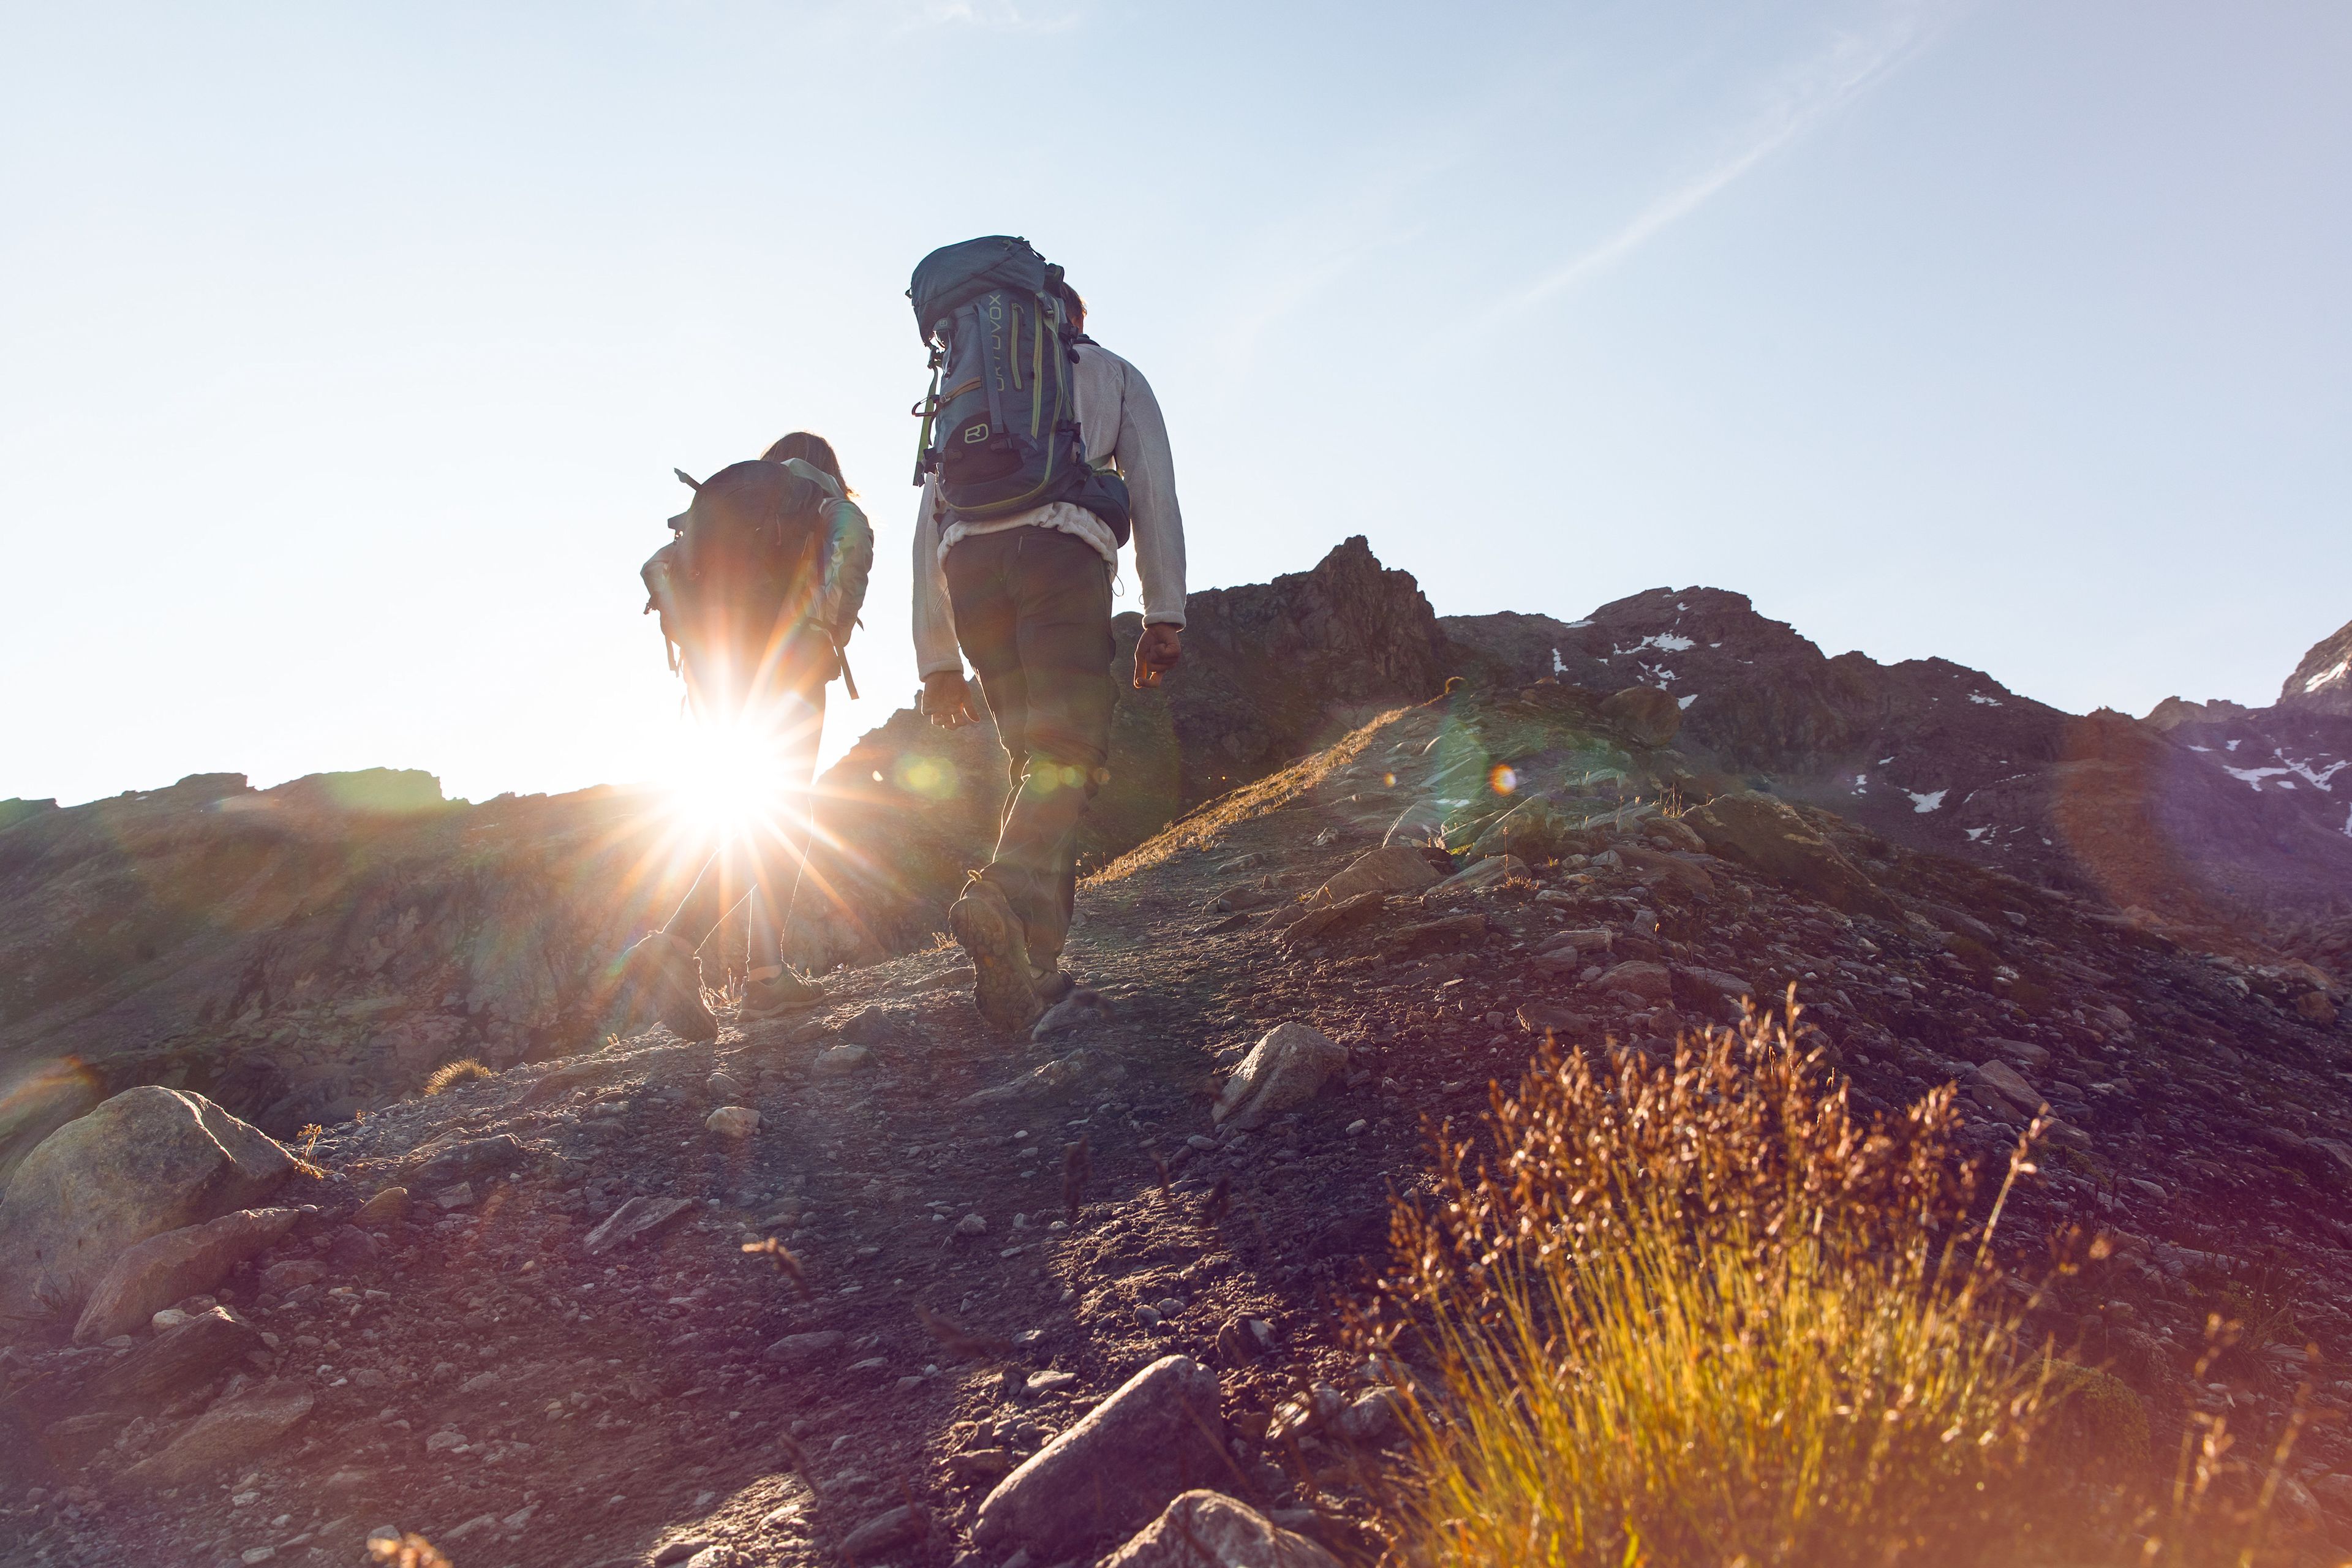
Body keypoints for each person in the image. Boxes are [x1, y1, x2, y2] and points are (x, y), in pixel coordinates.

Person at [910, 254, 1186, 1033]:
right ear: (1072, 317)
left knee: (1039, 760)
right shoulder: (1111, 373)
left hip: (970, 571)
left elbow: (926, 524)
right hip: (1061, 557)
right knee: (1069, 752)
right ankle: (1001, 892)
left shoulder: (963, 388)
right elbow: (1153, 488)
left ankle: (1034, 963)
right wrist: (1165, 612)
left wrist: (937, 662)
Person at [614, 431, 873, 1041]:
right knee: (783, 813)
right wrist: (823, 629)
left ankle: (750, 969)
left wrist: (693, 639)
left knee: (753, 816)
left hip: (718, 675)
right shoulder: (824, 499)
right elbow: (855, 538)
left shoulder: (729, 510)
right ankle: (725, 961)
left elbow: (655, 566)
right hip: (788, 667)